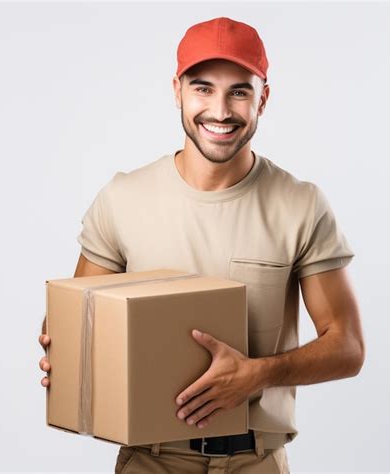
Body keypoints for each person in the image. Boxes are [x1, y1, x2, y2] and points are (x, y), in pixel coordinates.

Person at [38, 16, 365, 473]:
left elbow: (347, 346)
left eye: (239, 91)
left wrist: (258, 374)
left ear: (263, 98)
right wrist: (64, 349)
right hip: (151, 460)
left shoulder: (301, 205)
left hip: (256, 460)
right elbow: (80, 326)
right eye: (203, 88)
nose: (221, 110)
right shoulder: (123, 199)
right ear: (177, 90)